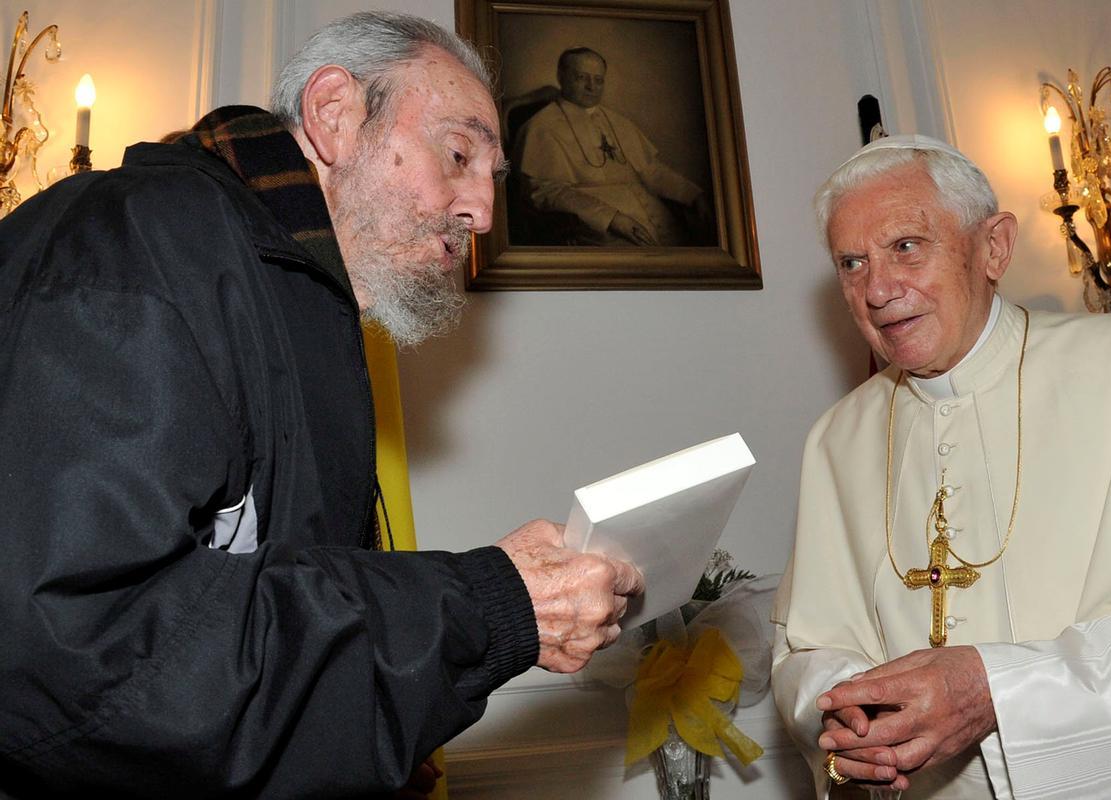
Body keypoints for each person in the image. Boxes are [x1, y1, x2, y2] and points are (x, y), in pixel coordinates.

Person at [0, 12, 642, 797]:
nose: (481, 211)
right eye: (458, 153)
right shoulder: (135, 245)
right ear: (335, 113)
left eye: (492, 178)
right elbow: (89, 654)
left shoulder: (285, 291)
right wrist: (491, 604)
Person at [771, 134, 1111, 799]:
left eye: (906, 247)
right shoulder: (836, 438)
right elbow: (803, 649)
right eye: (851, 263)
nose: (878, 288)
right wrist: (845, 705)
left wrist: (999, 691)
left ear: (994, 246)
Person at [514, 46, 712, 246]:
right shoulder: (540, 127)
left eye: (598, 80)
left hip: (655, 217)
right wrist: (611, 219)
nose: (592, 87)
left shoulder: (619, 122)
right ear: (561, 76)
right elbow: (546, 192)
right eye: (582, 77)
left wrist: (693, 194)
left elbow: (651, 170)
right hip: (595, 228)